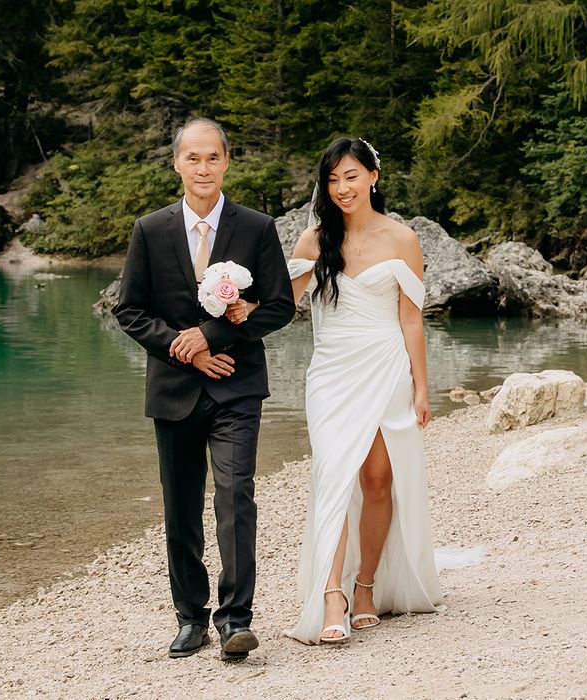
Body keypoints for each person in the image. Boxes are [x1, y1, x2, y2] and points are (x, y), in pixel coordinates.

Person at [114, 117, 295, 661]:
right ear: (177, 163)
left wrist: (213, 333)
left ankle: (236, 619)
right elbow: (129, 309)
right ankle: (190, 617)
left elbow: (281, 306)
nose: (203, 168)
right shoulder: (150, 229)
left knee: (236, 496)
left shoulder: (257, 227)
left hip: (237, 387)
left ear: (226, 161)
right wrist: (183, 346)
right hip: (174, 390)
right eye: (192, 158)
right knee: (181, 507)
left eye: (212, 157)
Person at [269, 136, 443, 643]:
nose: (342, 187)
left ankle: (366, 585)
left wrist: (421, 389)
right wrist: (231, 305)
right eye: (332, 179)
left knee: (377, 481)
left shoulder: (403, 240)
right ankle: (331, 596)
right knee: (334, 477)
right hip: (331, 373)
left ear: (373, 176)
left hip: (386, 365)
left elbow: (412, 320)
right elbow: (280, 307)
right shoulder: (312, 241)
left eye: (351, 176)